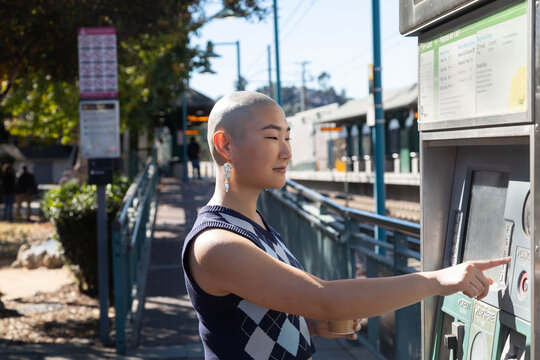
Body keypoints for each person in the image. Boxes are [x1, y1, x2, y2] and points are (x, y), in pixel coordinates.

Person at [181, 91, 510, 360]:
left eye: (288, 137)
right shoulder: (216, 244)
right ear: (225, 145)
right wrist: (438, 280)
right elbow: (324, 298)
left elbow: (242, 321)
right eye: (271, 137)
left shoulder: (250, 222)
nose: (287, 152)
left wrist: (307, 325)